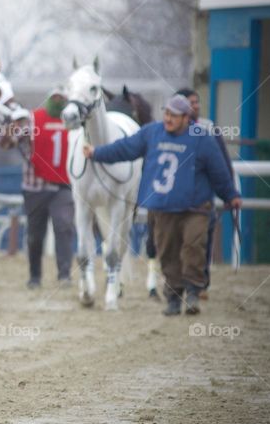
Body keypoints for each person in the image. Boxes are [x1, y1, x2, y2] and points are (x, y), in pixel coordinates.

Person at [84, 94, 241, 316]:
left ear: (187, 117)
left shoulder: (202, 138)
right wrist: (97, 153)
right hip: (162, 206)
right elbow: (125, 148)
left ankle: (193, 291)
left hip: (195, 206)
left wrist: (230, 195)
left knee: (193, 247)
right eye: (166, 113)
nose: (168, 119)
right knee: (167, 253)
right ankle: (174, 297)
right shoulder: (152, 132)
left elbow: (218, 171)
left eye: (174, 115)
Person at [175, 87, 236, 295]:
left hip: (203, 196)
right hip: (175, 198)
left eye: (197, 102)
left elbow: (223, 163)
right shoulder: (170, 129)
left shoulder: (208, 128)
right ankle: (181, 283)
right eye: (191, 103)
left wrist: (230, 192)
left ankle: (200, 283)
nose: (196, 106)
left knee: (202, 241)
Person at [18, 88, 75, 289]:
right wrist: (13, 130)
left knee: (64, 227)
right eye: (55, 97)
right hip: (35, 186)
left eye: (63, 97)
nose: (59, 101)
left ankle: (65, 275)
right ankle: (35, 276)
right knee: (35, 234)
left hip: (63, 185)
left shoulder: (72, 119)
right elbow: (13, 138)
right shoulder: (33, 119)